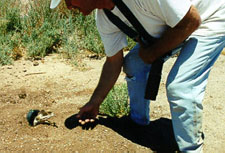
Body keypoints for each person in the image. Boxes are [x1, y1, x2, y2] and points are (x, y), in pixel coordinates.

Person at [50, 0, 225, 152]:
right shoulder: (105, 18)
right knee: (133, 63)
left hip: (209, 20)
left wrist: (153, 52)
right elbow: (113, 62)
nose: (68, 5)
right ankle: (138, 123)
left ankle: (191, 149)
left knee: (180, 86)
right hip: (175, 28)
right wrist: (94, 102)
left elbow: (191, 21)